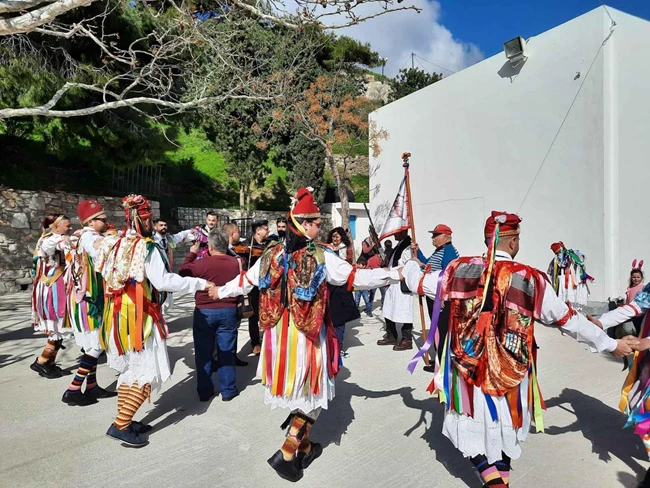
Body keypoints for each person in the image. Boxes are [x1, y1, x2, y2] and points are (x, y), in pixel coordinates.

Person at [401, 211, 633, 487]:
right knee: (506, 428)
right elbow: (568, 320)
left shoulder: (458, 270)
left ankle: (496, 483)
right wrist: (610, 344)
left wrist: (409, 264)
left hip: (469, 370)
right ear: (512, 242)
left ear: (488, 240)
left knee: (471, 423)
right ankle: (500, 483)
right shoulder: (531, 279)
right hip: (511, 372)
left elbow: (416, 281)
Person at [210, 187, 399, 482]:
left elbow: (245, 281)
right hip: (306, 336)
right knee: (313, 393)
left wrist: (219, 290)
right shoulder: (321, 256)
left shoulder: (272, 253)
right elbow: (356, 278)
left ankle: (306, 448)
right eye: (315, 223)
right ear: (304, 225)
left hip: (278, 336)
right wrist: (396, 274)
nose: (319, 227)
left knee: (302, 392)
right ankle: (286, 453)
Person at [95, 194, 213, 447]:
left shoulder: (114, 243)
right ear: (141, 219)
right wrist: (200, 283)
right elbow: (164, 281)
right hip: (139, 318)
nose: (151, 224)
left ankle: (124, 419)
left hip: (117, 316)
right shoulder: (146, 247)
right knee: (145, 371)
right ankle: (121, 425)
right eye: (148, 219)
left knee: (130, 371)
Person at [62, 200, 117, 406]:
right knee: (97, 344)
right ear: (92, 221)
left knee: (92, 345)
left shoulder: (77, 235)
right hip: (90, 300)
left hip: (82, 297)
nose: (107, 222)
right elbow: (96, 250)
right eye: (103, 220)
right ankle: (73, 389)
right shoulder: (88, 237)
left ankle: (92, 386)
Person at [179, 227, 241, 402]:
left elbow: (183, 272)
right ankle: (228, 389)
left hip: (204, 311)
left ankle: (205, 390)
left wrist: (192, 253)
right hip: (229, 310)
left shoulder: (201, 263)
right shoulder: (237, 263)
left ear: (211, 247)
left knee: (203, 352)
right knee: (227, 350)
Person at [411, 224, 459, 372]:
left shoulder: (449, 251)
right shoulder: (439, 251)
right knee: (437, 329)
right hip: (434, 297)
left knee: (442, 330)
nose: (433, 238)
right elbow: (428, 265)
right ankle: (439, 359)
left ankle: (443, 363)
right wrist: (417, 251)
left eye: (436, 235)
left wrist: (444, 297)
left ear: (446, 237)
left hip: (441, 299)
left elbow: (448, 275)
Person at [30, 215, 73, 379]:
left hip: (59, 286)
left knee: (61, 327)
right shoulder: (48, 239)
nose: (69, 228)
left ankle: (50, 363)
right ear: (56, 227)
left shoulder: (57, 237)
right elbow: (49, 248)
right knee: (56, 325)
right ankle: (41, 361)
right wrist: (64, 240)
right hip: (50, 287)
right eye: (67, 226)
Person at [327, 227, 361, 358]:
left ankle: (339, 347)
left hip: (342, 286)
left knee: (340, 320)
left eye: (337, 237)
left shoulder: (346, 250)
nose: (335, 239)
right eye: (333, 236)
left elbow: (347, 265)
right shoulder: (327, 249)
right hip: (331, 287)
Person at [378, 230, 414, 351]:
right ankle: (391, 335)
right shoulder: (399, 245)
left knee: (404, 311)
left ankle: (407, 339)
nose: (393, 234)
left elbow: (408, 266)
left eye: (397, 231)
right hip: (393, 282)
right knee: (388, 309)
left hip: (401, 283)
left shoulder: (408, 247)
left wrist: (391, 270)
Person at [245, 219, 270, 356]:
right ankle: (255, 343)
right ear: (258, 230)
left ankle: (267, 340)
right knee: (253, 315)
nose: (268, 231)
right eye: (266, 229)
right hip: (253, 286)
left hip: (267, 284)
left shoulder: (269, 244)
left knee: (267, 312)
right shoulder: (246, 245)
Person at [547, 241, 593, 309]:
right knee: (565, 298)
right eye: (556, 253)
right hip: (562, 281)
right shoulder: (555, 261)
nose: (559, 254)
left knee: (572, 298)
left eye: (559, 251)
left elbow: (581, 260)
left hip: (573, 280)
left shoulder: (571, 255)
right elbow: (551, 272)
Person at [377, 240, 394, 307]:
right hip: (393, 271)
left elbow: (381, 262)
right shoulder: (394, 251)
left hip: (385, 271)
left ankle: (384, 303)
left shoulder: (383, 253)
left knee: (385, 289)